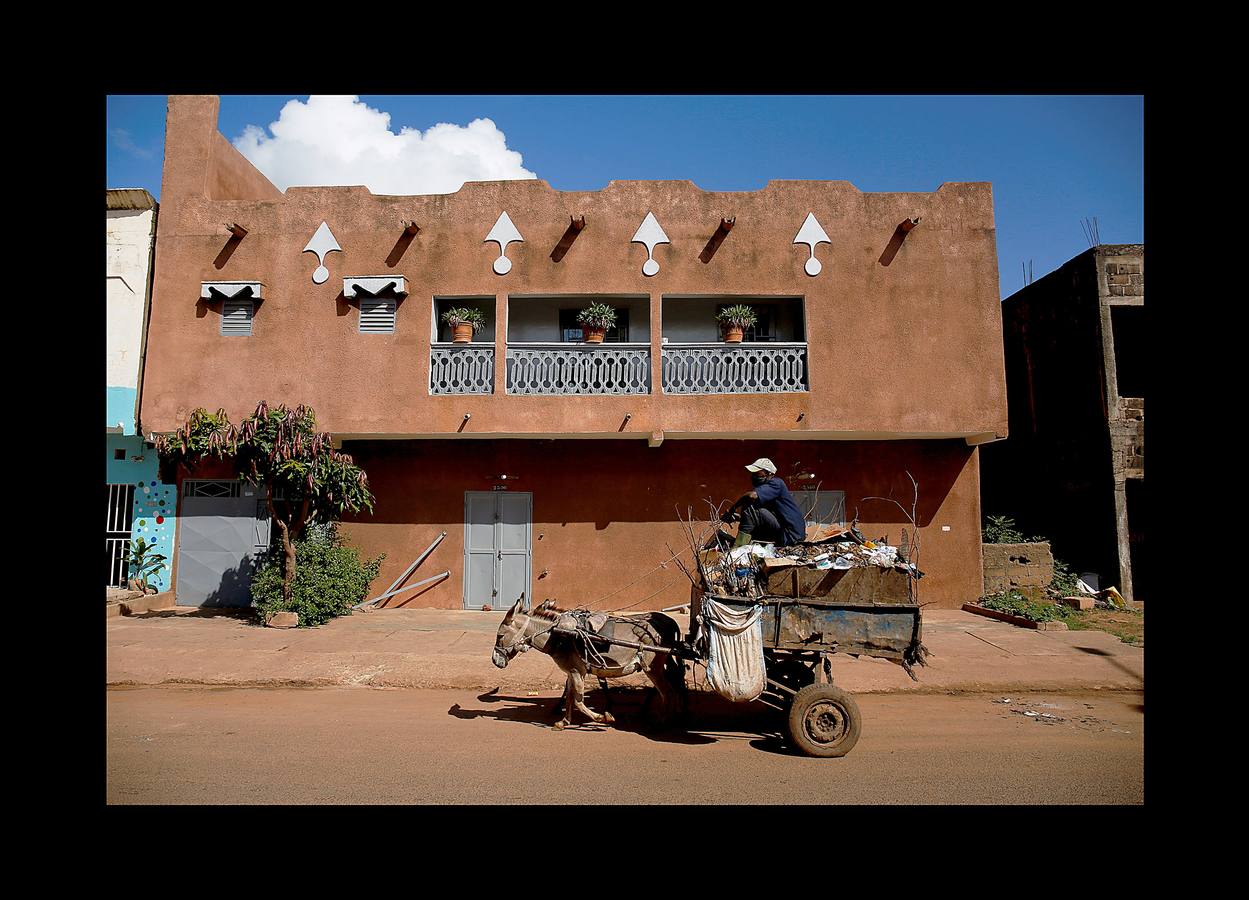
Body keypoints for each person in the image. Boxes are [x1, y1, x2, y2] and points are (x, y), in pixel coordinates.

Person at [722, 457, 807, 547]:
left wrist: (732, 509)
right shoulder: (767, 492)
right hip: (786, 533)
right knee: (752, 511)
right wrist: (739, 518)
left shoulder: (776, 483)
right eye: (753, 474)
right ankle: (746, 547)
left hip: (790, 535)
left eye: (757, 474)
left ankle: (737, 548)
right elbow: (762, 517)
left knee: (750, 507)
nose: (753, 476)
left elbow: (751, 496)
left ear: (769, 473)